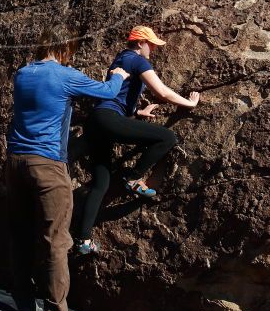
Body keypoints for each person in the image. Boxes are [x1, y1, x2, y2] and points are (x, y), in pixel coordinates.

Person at [5, 26, 130, 311]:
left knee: (21, 235)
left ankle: (23, 305)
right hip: (47, 164)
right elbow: (108, 92)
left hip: (15, 162)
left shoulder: (22, 74)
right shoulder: (64, 75)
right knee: (56, 240)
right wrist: (119, 75)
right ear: (65, 49)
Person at [74, 25, 201, 255]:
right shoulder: (137, 60)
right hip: (108, 118)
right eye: (151, 44)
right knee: (166, 137)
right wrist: (189, 103)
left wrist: (136, 115)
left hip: (98, 121)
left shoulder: (121, 58)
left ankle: (83, 240)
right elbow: (161, 92)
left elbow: (118, 95)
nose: (153, 49)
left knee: (101, 184)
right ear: (141, 43)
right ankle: (133, 178)